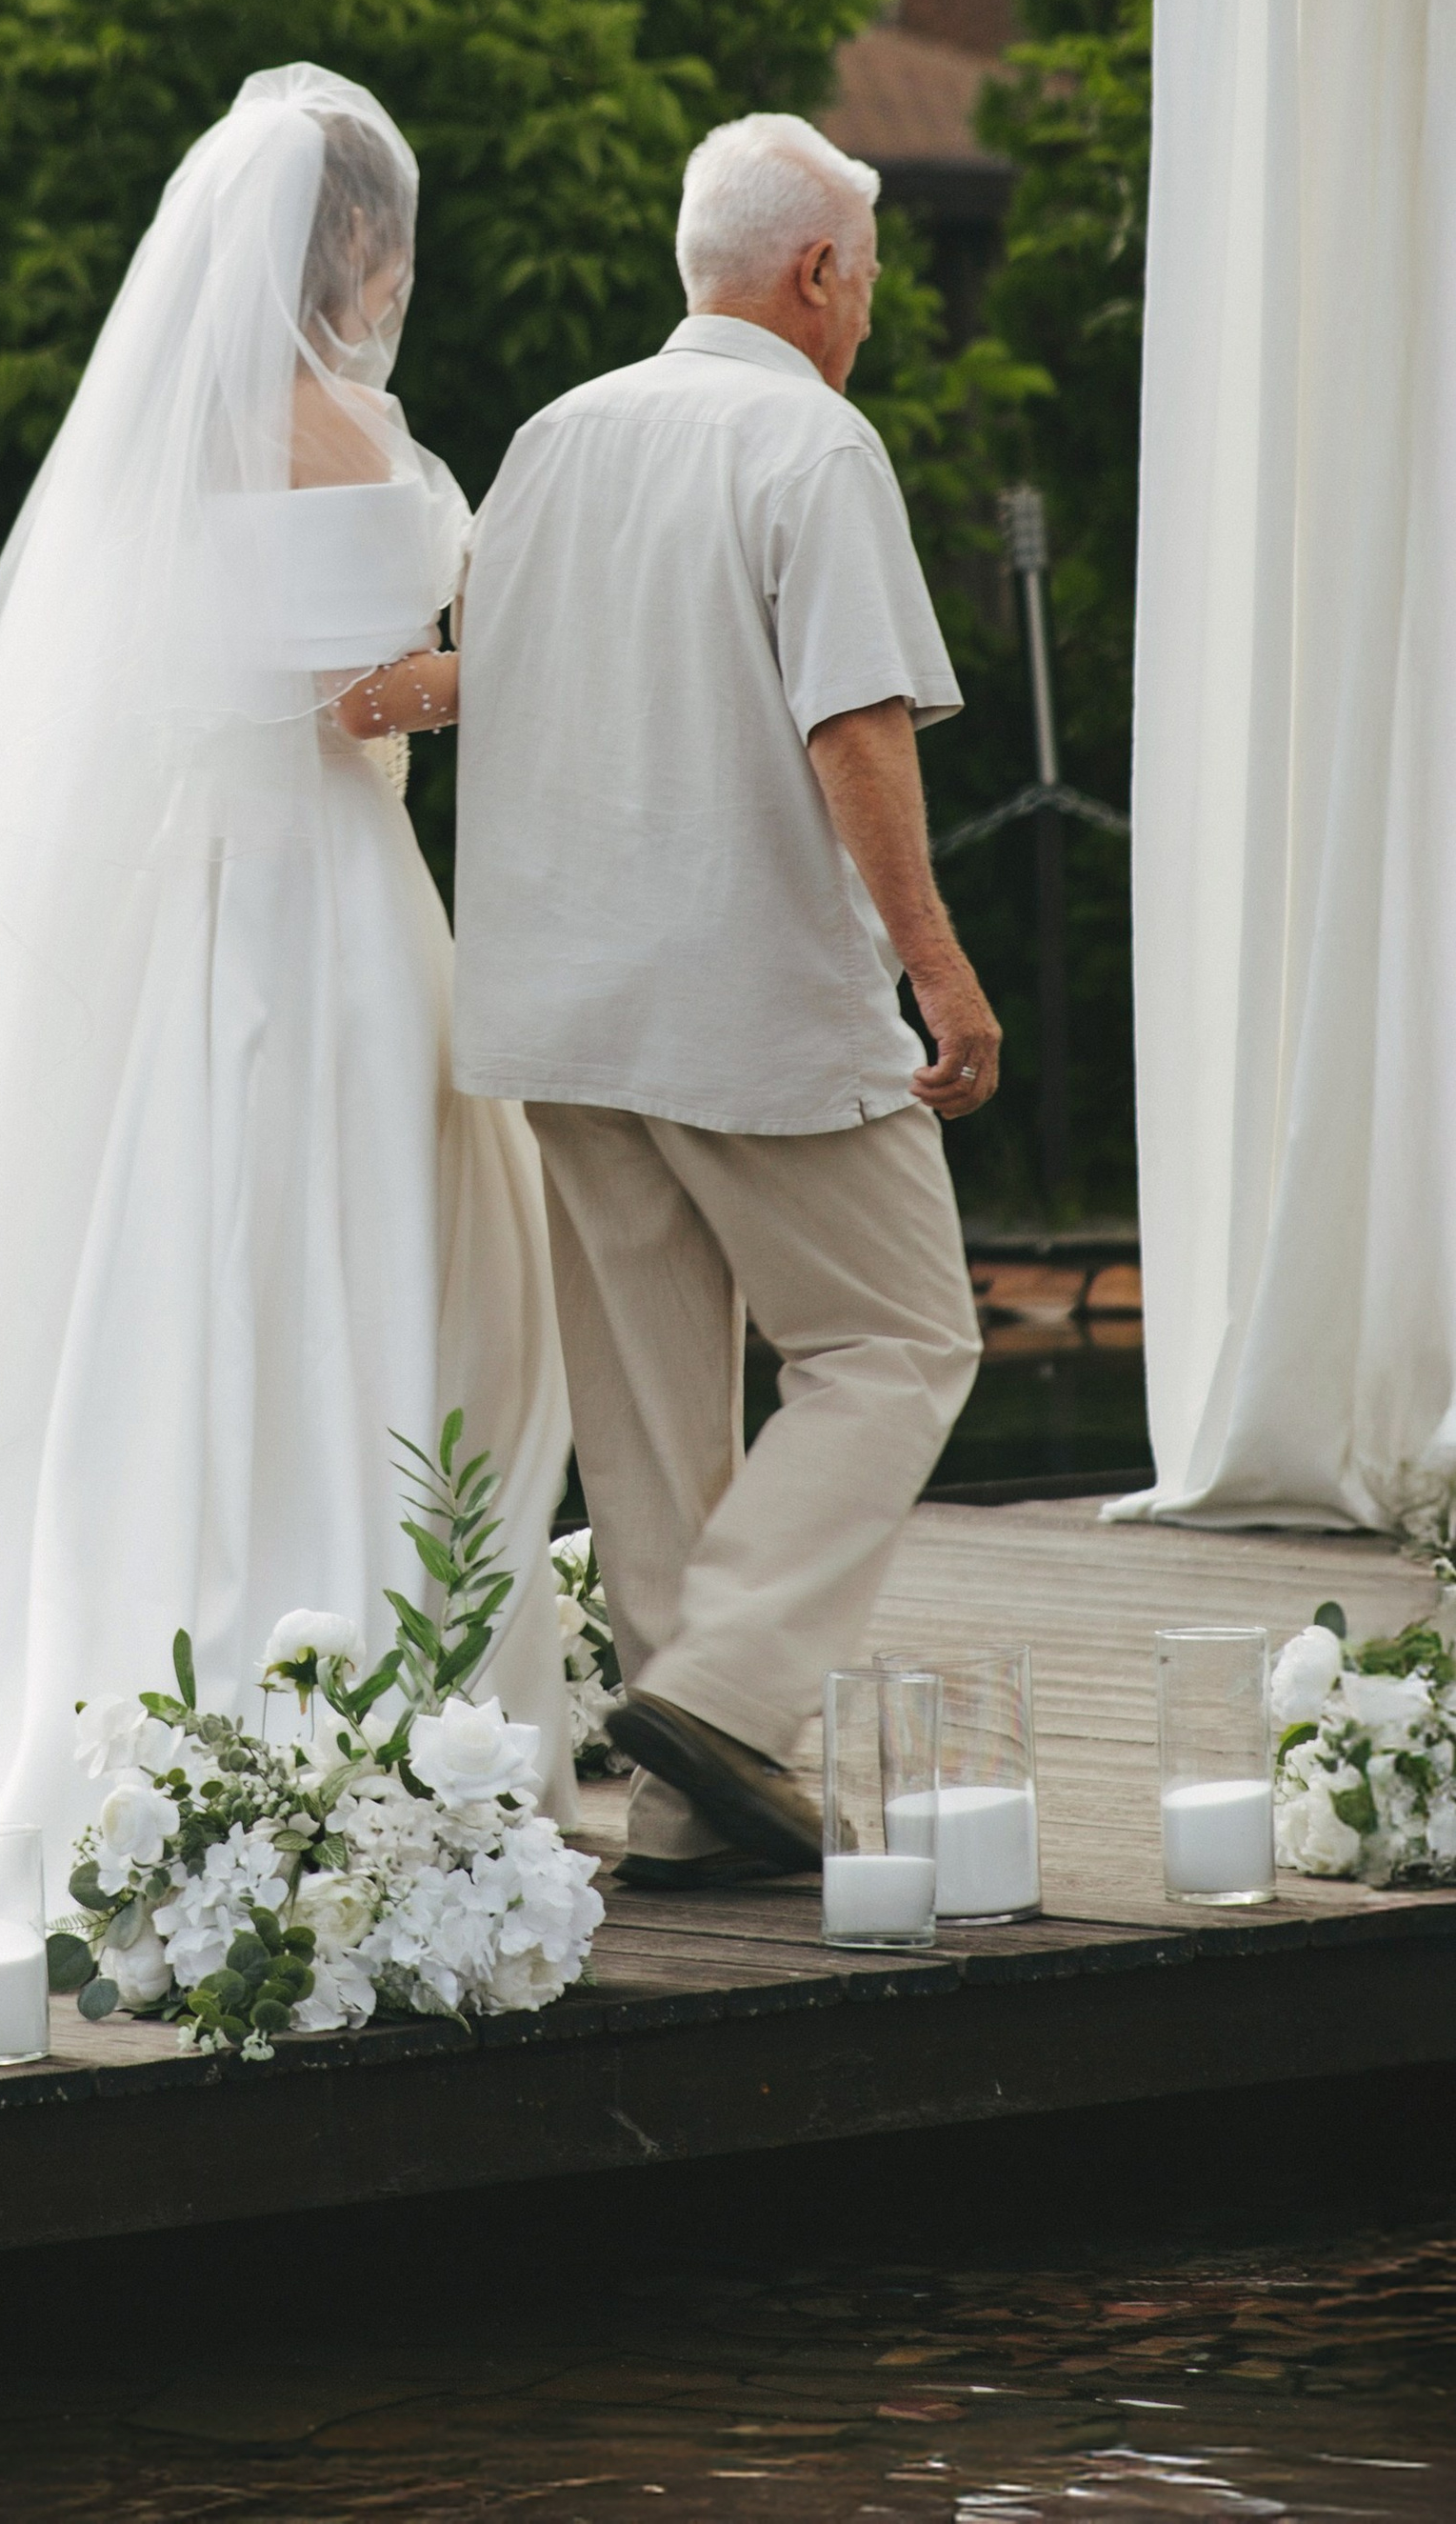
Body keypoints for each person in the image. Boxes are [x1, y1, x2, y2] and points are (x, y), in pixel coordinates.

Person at [0, 63, 574, 1982]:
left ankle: (248, 1653)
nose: (395, 271)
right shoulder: (327, 429)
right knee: (342, 1242)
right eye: (387, 237)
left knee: (195, 1247)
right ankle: (330, 1655)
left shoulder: (169, 440)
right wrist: (527, 648)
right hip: (314, 896)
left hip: (207, 887)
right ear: (345, 240)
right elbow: (363, 695)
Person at [451, 113, 995, 1886]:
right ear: (817, 272)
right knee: (901, 1341)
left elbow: (494, 680)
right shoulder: (812, 442)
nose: (875, 307)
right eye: (874, 274)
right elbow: (856, 722)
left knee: (654, 1411)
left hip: (555, 998)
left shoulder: (551, 436)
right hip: (745, 995)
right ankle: (739, 1692)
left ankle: (695, 1801)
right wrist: (937, 963)